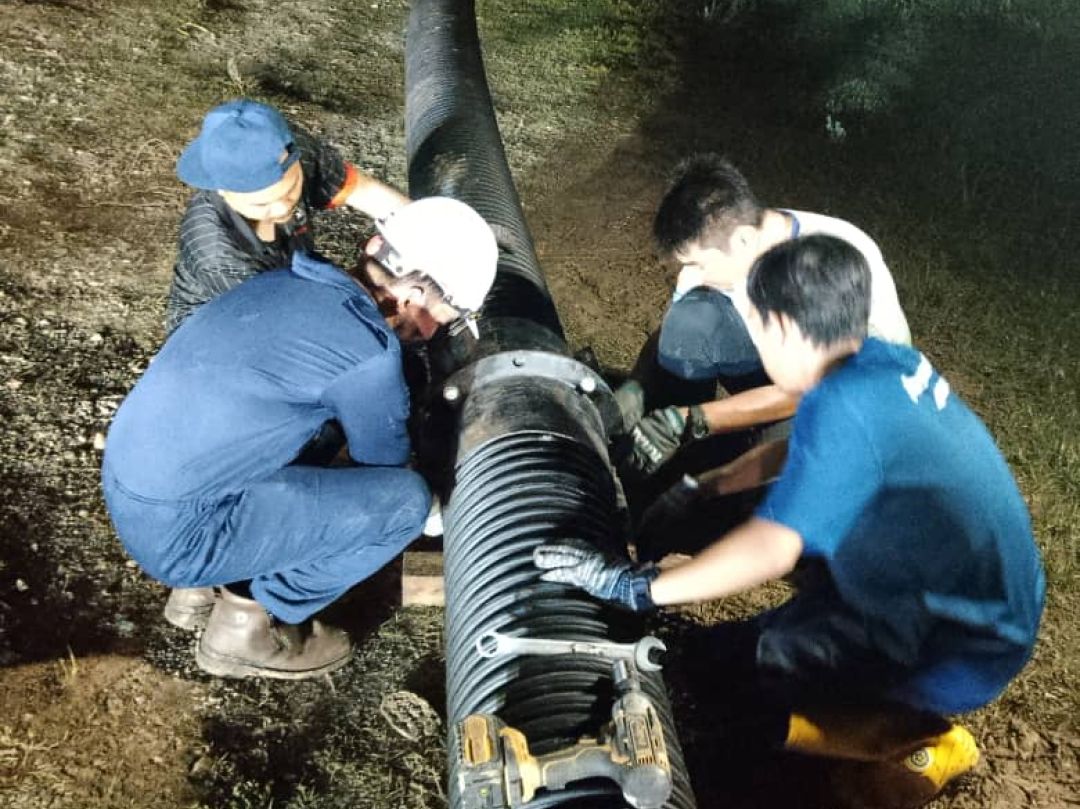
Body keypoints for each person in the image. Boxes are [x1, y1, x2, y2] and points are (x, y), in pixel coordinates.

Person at [535, 235, 1044, 806]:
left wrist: (633, 585)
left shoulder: (845, 410)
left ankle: (917, 738)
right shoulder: (881, 362)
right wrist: (711, 484)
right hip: (955, 596)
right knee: (715, 661)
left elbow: (769, 549)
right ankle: (835, 696)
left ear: (778, 326)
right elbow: (804, 446)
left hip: (955, 643)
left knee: (744, 711)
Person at [102, 197, 498, 679]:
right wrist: (438, 507)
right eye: (443, 314)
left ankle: (196, 595)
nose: (435, 331)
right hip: (182, 539)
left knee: (316, 419)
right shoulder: (367, 354)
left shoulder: (284, 282)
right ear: (413, 293)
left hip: (136, 494)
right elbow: (383, 466)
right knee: (404, 503)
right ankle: (249, 621)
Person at [622, 154, 911, 480]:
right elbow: (675, 335)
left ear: (743, 239)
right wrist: (636, 389)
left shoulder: (824, 267)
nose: (691, 275)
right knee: (693, 318)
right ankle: (676, 458)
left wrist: (696, 418)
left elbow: (820, 386)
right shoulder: (739, 238)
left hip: (852, 399)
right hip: (790, 366)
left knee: (766, 479)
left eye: (699, 264)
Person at [166, 98, 409, 335]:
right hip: (224, 328)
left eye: (291, 189)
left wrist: (421, 227)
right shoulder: (219, 255)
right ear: (222, 191)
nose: (282, 209)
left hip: (292, 273)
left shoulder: (293, 150)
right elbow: (283, 328)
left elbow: (365, 192)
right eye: (262, 204)